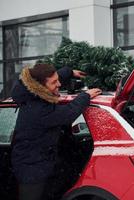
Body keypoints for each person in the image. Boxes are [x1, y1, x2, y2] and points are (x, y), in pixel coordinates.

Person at [11, 63, 102, 200]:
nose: (59, 84)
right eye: (54, 82)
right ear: (40, 86)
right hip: (31, 170)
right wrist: (85, 96)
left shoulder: (31, 91)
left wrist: (69, 72)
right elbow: (68, 113)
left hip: (42, 162)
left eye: (57, 79)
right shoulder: (38, 110)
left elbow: (52, 77)